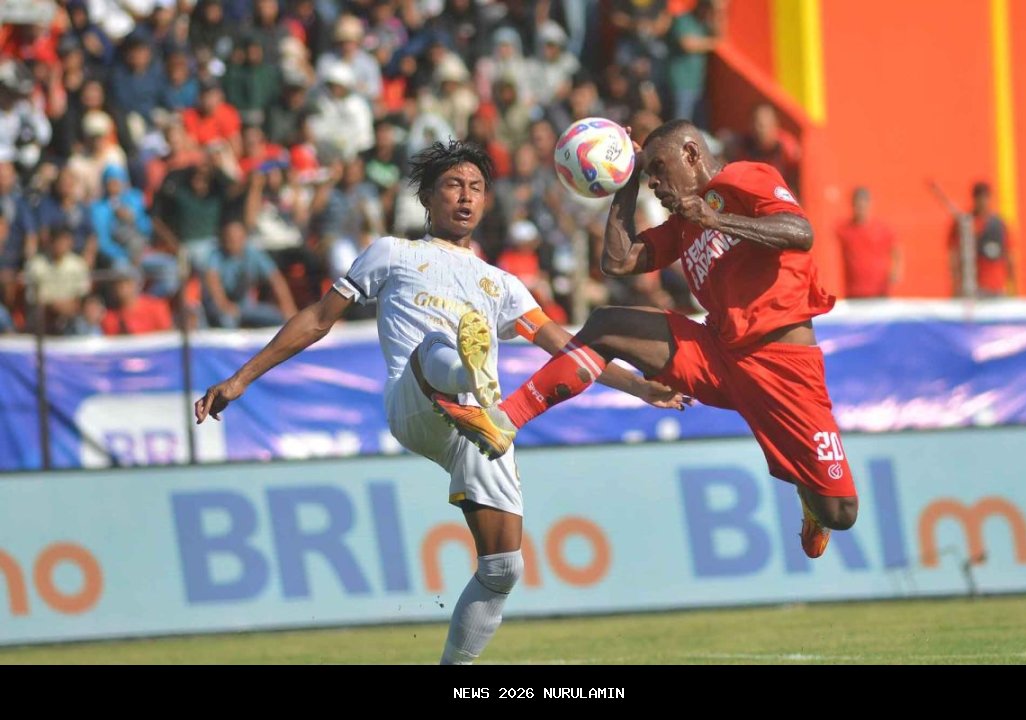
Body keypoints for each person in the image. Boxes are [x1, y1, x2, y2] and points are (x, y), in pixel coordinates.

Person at [193, 141, 683, 664]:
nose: (465, 197)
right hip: (416, 401)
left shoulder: (503, 286)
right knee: (436, 345)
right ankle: (472, 379)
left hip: (478, 428)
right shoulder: (393, 253)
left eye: (475, 188)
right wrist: (242, 378)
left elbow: (566, 346)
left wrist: (640, 385)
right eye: (453, 185)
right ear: (427, 197)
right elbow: (317, 319)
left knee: (503, 569)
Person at [435, 120, 857, 559]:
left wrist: (718, 219)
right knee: (606, 326)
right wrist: (627, 177)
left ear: (692, 153)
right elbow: (618, 261)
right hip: (719, 354)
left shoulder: (744, 178)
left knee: (841, 511)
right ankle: (504, 421)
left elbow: (799, 232)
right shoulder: (684, 224)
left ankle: (812, 500)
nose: (655, 181)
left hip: (782, 363)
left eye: (658, 168)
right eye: (649, 173)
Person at [948, 182, 1014, 298]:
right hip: (971, 286)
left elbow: (1009, 256)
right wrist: (956, 285)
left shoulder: (999, 225)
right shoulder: (964, 224)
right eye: (979, 198)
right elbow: (954, 256)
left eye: (985, 197)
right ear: (974, 199)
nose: (983, 202)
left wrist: (1012, 285)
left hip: (996, 287)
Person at [835, 187, 900, 298]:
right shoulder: (844, 230)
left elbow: (895, 249)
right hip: (854, 291)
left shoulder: (881, 229)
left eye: (863, 205)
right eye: (858, 205)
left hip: (879, 290)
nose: (860, 209)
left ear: (869, 204)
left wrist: (896, 271)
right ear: (852, 205)